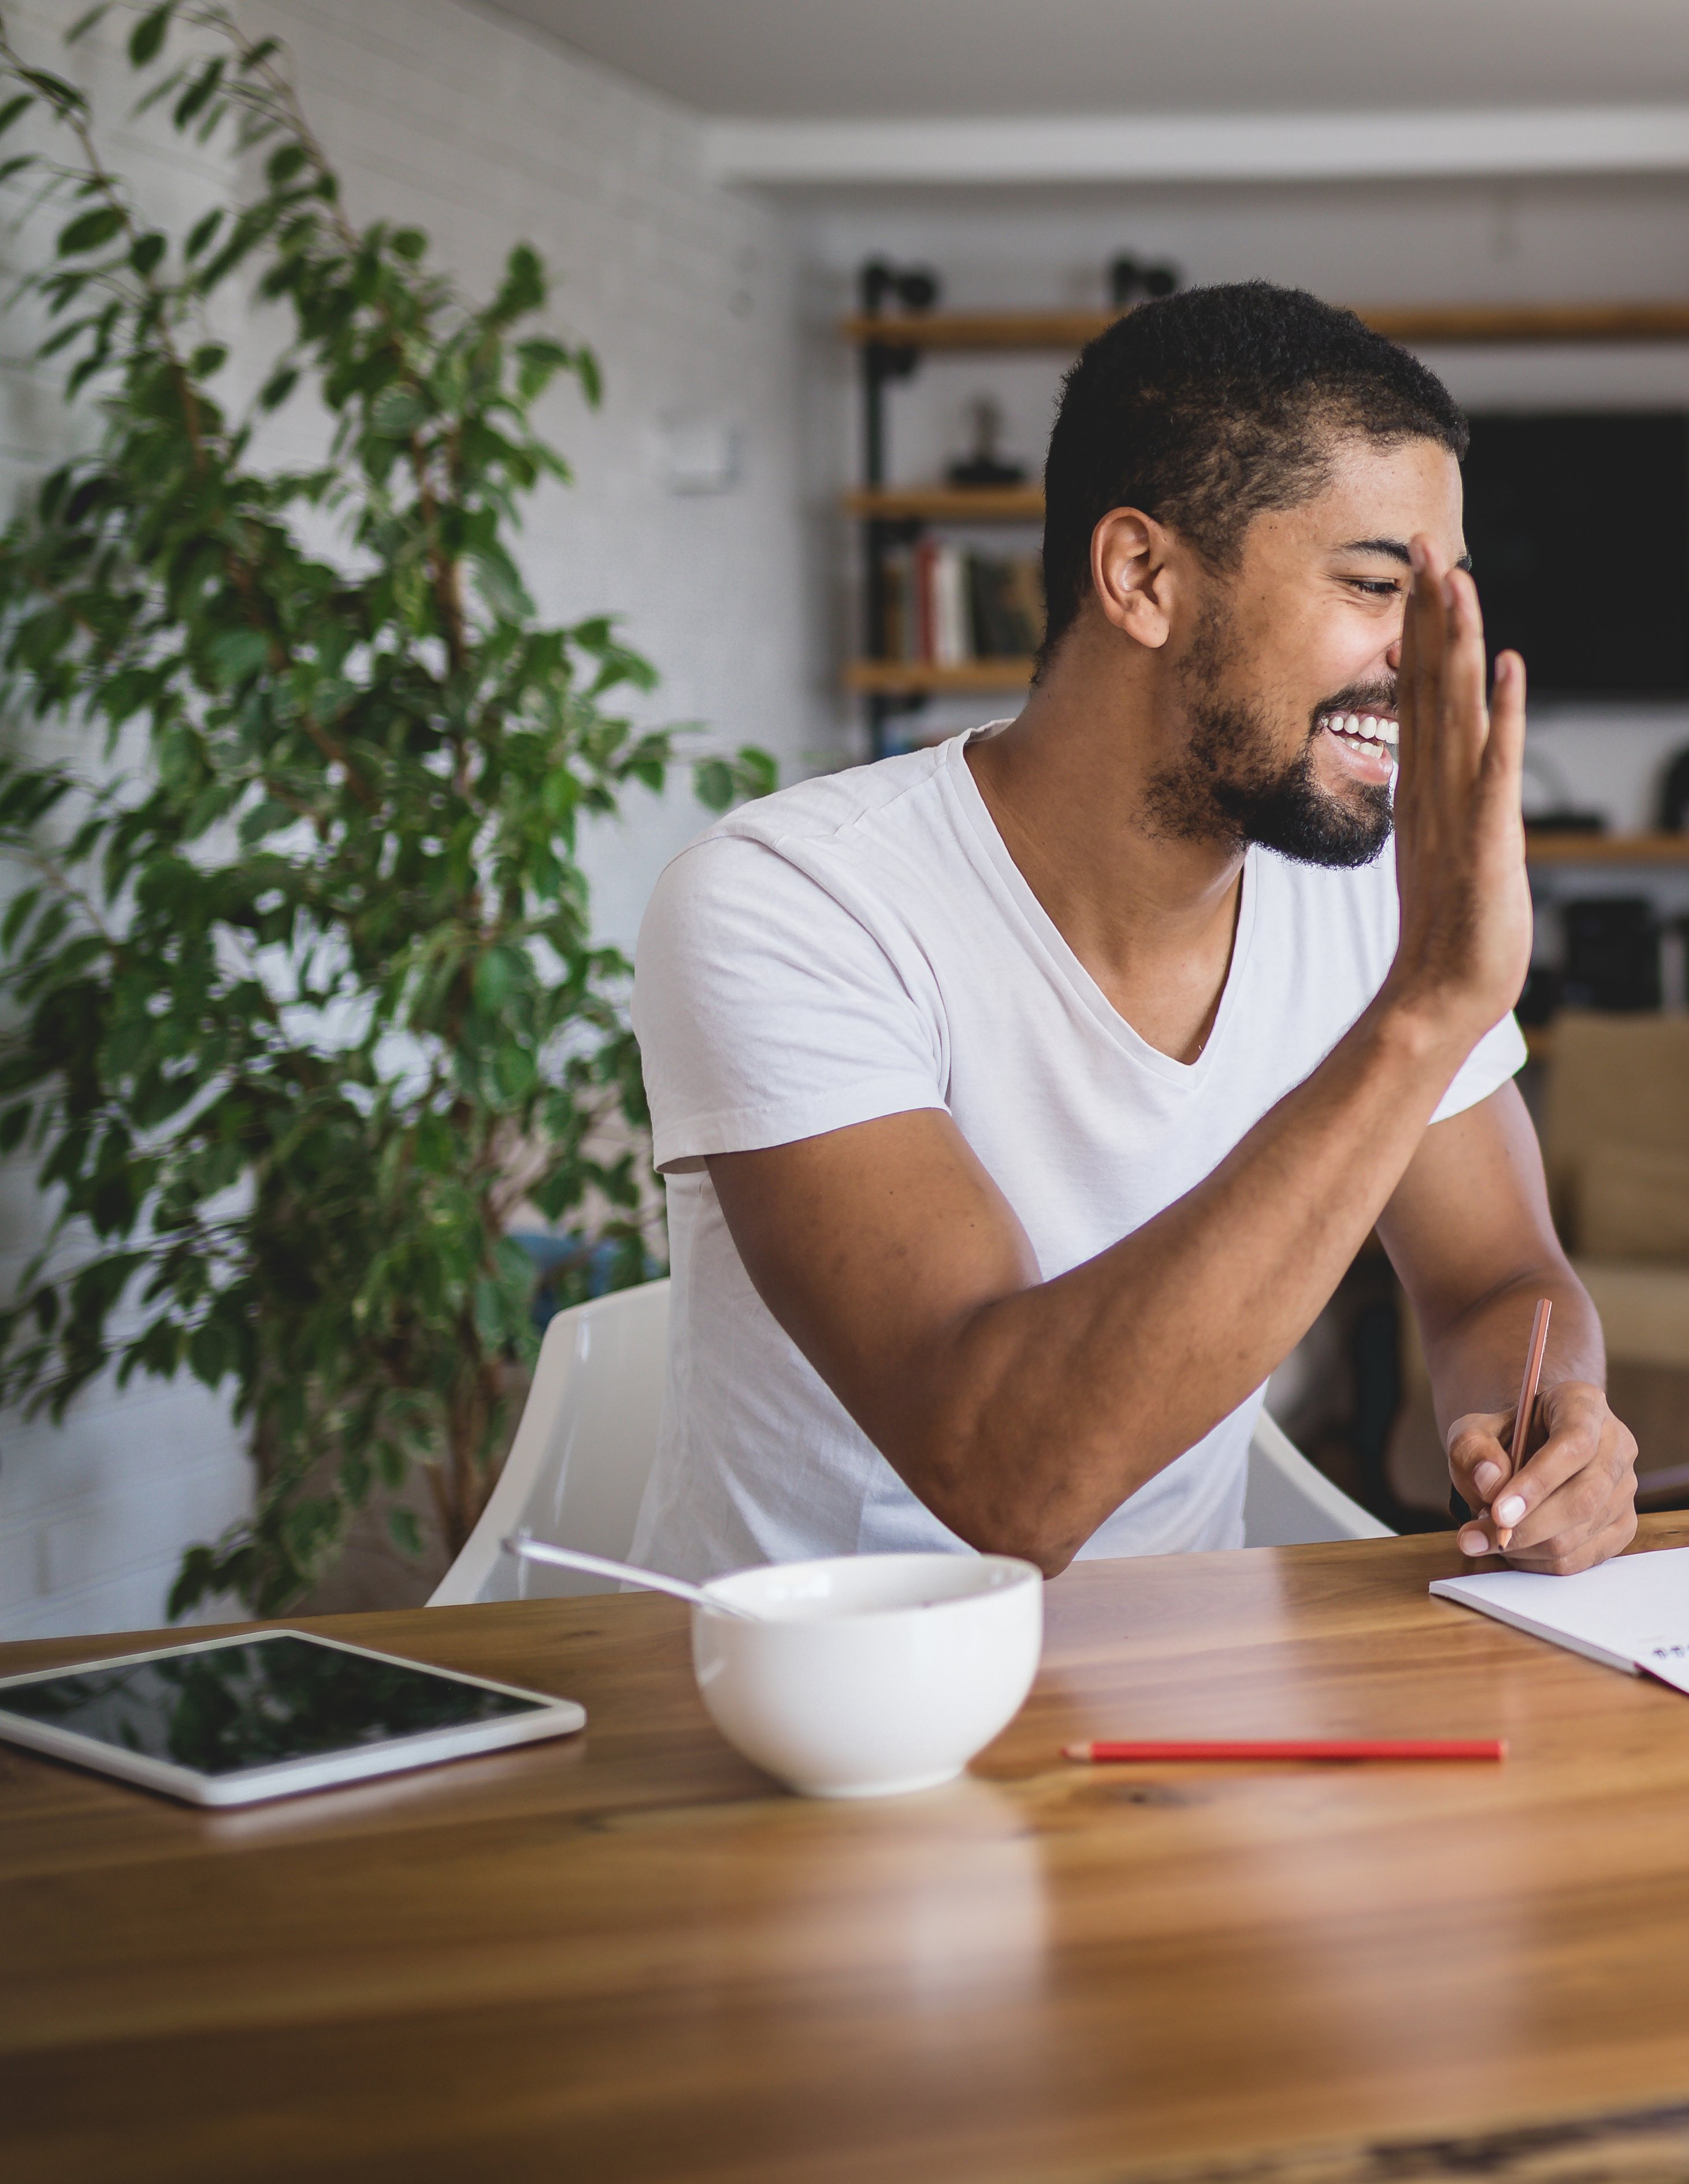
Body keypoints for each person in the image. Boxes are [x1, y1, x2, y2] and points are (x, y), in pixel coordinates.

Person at [630, 283, 1635, 1583]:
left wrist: (1548, 1427)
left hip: (1174, 1692)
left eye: (1448, 594)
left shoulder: (1364, 898)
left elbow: (1498, 1277)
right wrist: (1427, 1007)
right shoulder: (790, 902)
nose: (1428, 650)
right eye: (1379, 583)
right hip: (816, 1710)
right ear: (1142, 576)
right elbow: (1004, 1477)